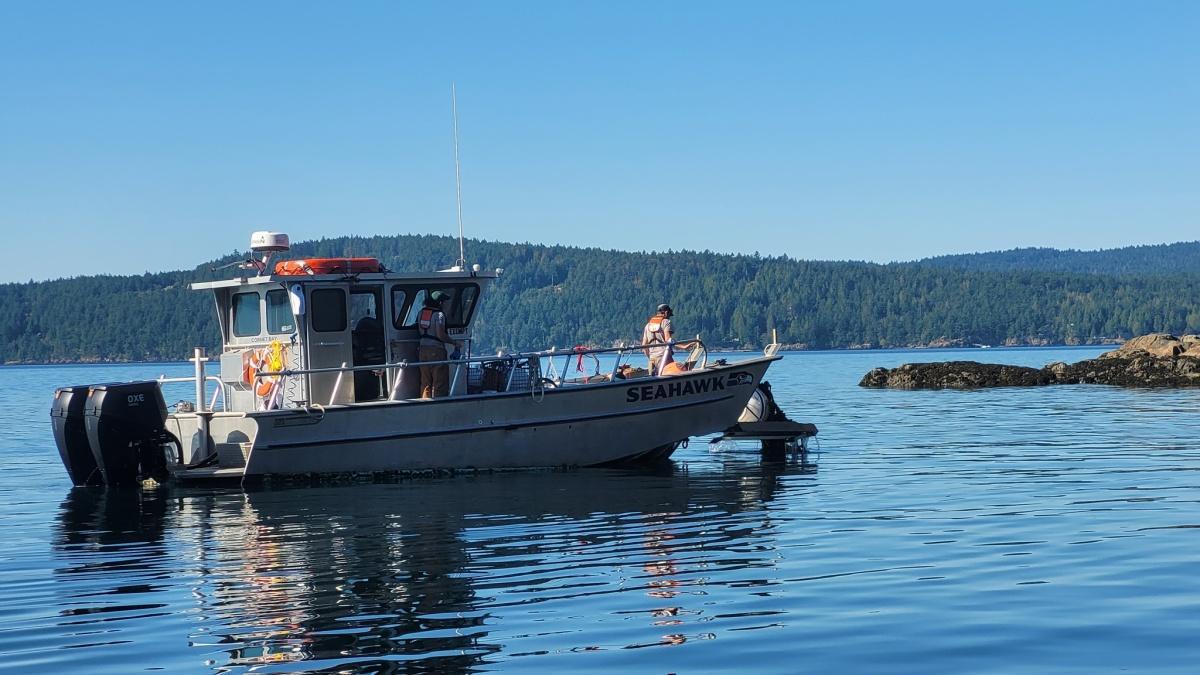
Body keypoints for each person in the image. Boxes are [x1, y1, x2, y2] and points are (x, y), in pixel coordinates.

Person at [418, 290, 455, 398]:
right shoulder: (439, 315)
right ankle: (439, 403)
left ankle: (424, 402)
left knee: (425, 381)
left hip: (422, 349)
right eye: (444, 302)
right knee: (439, 381)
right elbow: (440, 334)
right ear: (440, 303)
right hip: (436, 350)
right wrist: (454, 342)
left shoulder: (421, 313)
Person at [642, 303, 691, 375]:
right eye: (669, 315)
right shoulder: (666, 322)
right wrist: (683, 346)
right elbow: (668, 340)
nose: (669, 317)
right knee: (673, 375)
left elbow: (644, 345)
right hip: (664, 357)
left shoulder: (648, 325)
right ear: (666, 312)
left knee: (654, 378)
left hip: (652, 359)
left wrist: (650, 357)